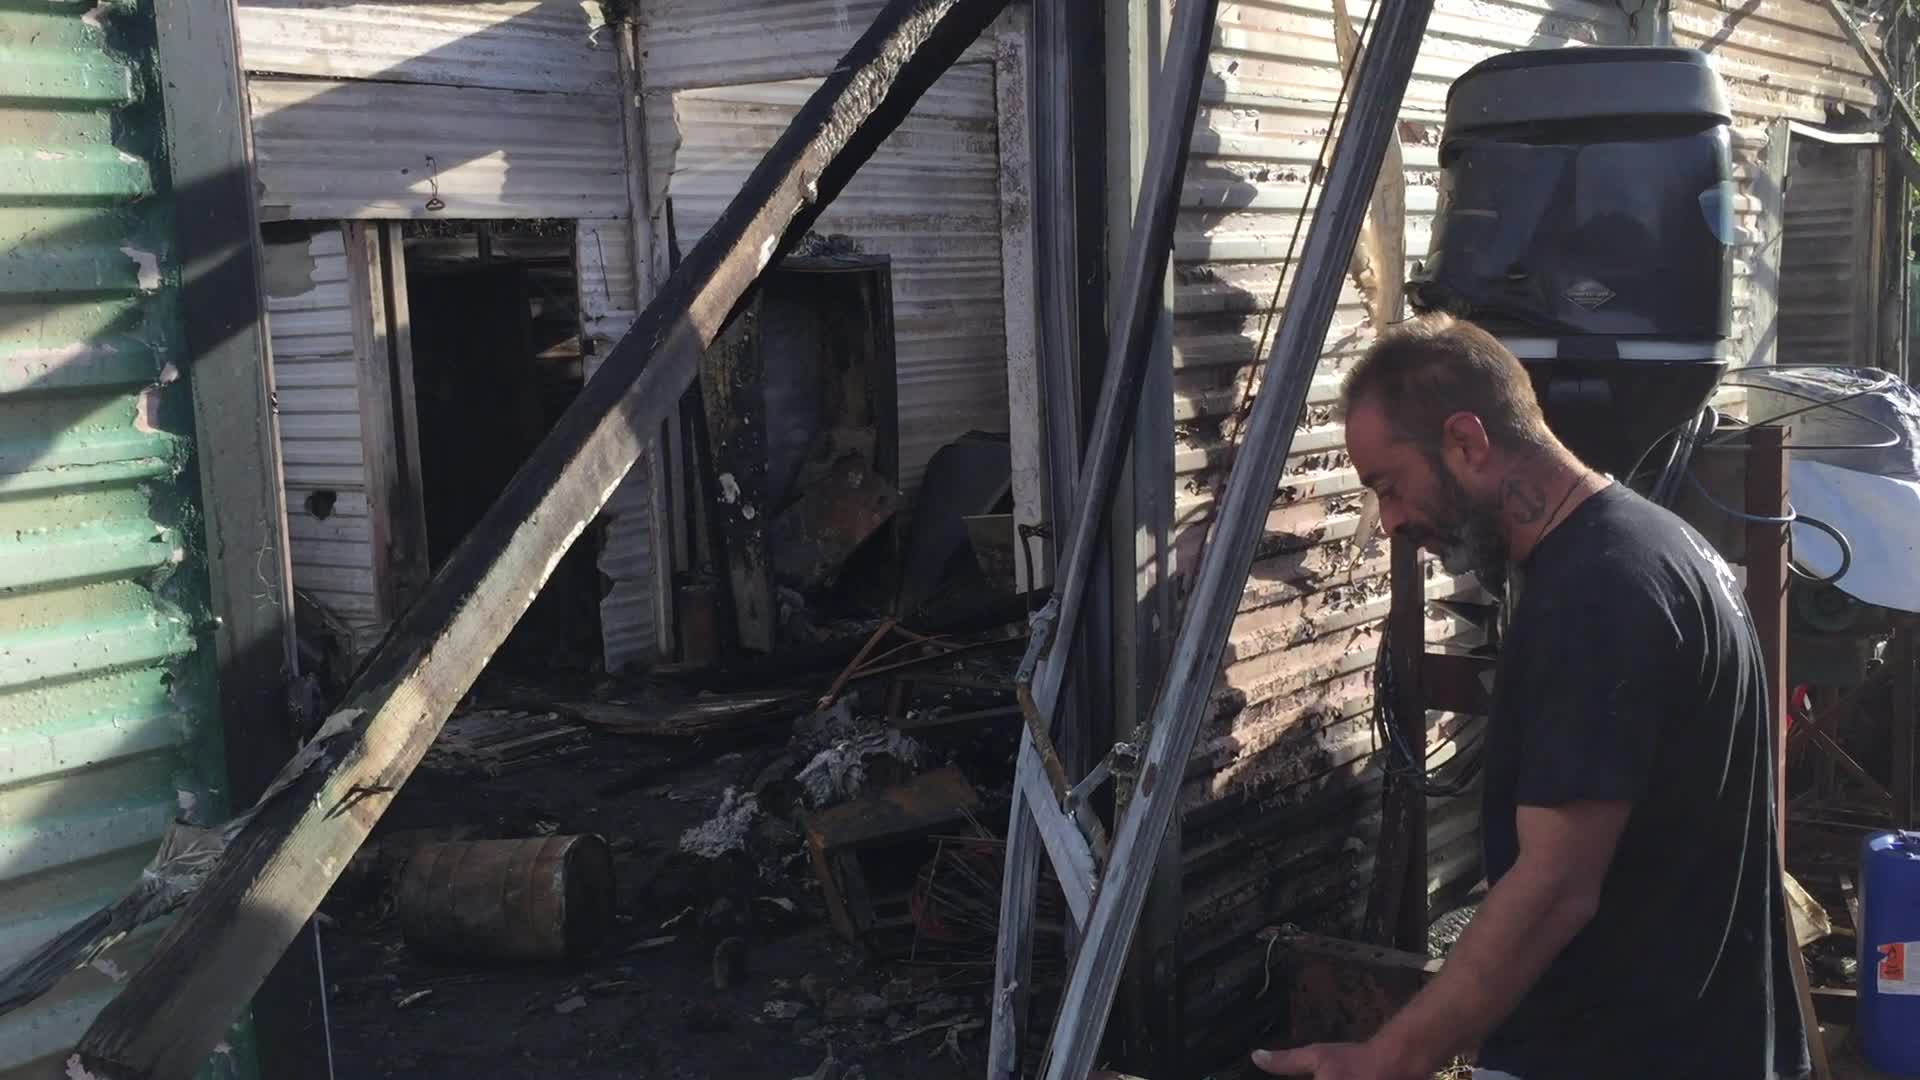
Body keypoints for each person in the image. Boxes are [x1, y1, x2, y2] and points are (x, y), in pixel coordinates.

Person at [1251, 314, 1808, 1080]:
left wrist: (1390, 1057)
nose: (1392, 522)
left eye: (1390, 486)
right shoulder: (1658, 546)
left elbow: (1555, 887)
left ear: (1467, 442)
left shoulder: (1595, 594)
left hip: (1617, 1054)